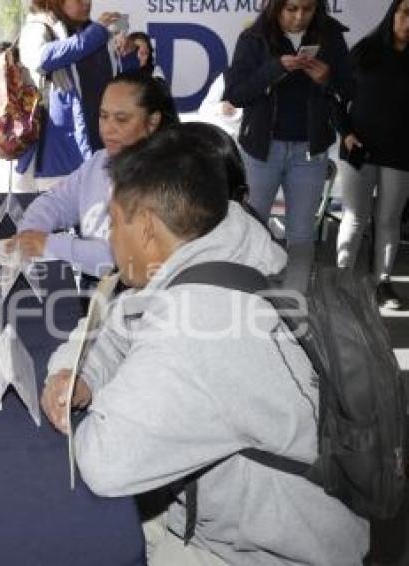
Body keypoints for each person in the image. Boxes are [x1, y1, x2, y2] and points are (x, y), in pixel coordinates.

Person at [40, 128, 368, 565]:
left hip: (260, 553)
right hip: (220, 514)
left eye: (114, 222)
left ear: (148, 228)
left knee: (56, 537)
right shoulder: (215, 246)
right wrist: (80, 375)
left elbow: (106, 460)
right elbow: (110, 330)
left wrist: (100, 397)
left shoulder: (197, 325)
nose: (109, 239)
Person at [224, 0, 352, 278]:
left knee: (302, 233)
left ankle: (296, 302)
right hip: (260, 150)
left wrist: (326, 79)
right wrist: (275, 68)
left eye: (307, 9)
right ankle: (251, 297)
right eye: (291, 8)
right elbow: (235, 94)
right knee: (250, 227)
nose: (299, 17)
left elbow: (349, 89)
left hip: (310, 150)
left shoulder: (330, 36)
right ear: (276, 7)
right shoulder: (253, 37)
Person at [9, 71, 178, 277]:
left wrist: (49, 244)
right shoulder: (100, 161)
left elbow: (119, 256)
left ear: (152, 122)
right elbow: (55, 202)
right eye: (103, 116)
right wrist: (29, 234)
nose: (108, 129)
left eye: (121, 120)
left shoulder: (166, 177)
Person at [335, 0, 409, 309]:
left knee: (388, 219)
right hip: (358, 148)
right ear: (393, 14)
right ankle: (340, 284)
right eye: (405, 12)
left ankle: (382, 284)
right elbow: (336, 98)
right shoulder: (365, 51)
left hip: (402, 152)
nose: (408, 20)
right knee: (354, 217)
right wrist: (347, 134)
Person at [18, 0, 138, 183]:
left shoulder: (97, 32)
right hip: (58, 153)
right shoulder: (38, 27)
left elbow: (122, 83)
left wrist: (128, 56)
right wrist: (96, 33)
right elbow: (41, 60)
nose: (86, 3)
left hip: (100, 148)